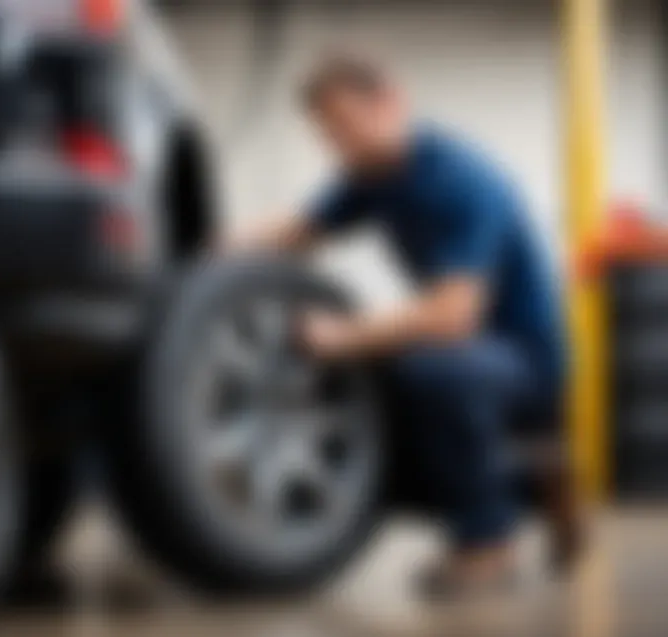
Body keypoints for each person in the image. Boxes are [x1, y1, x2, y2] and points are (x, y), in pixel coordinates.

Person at [224, 54, 565, 596]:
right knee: (379, 387)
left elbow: (454, 315)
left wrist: (343, 336)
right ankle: (533, 482)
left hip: (524, 360)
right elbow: (296, 231)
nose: (333, 144)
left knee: (430, 374)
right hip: (472, 349)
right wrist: (205, 258)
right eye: (325, 132)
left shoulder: (462, 180)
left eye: (342, 126)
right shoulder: (373, 177)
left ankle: (488, 542)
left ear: (388, 103)